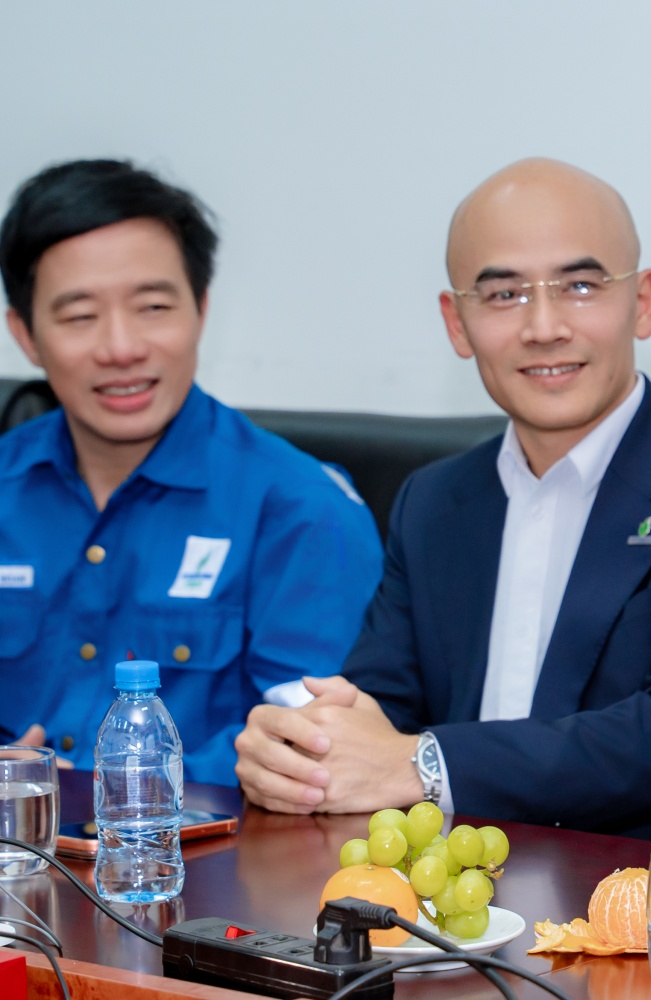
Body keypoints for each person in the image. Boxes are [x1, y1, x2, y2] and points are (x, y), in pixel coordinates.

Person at [234, 158, 651, 841]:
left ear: (643, 302)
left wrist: (425, 765)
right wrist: (308, 750)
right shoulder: (434, 501)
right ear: (457, 323)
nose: (543, 326)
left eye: (580, 286)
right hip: (443, 889)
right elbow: (379, 715)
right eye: (504, 294)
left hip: (635, 890)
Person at [0, 159, 384, 785]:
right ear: (26, 334)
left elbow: (319, 744)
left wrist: (101, 790)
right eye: (79, 316)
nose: (121, 348)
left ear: (201, 310)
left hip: (210, 846)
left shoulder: (303, 510)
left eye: (152, 306)